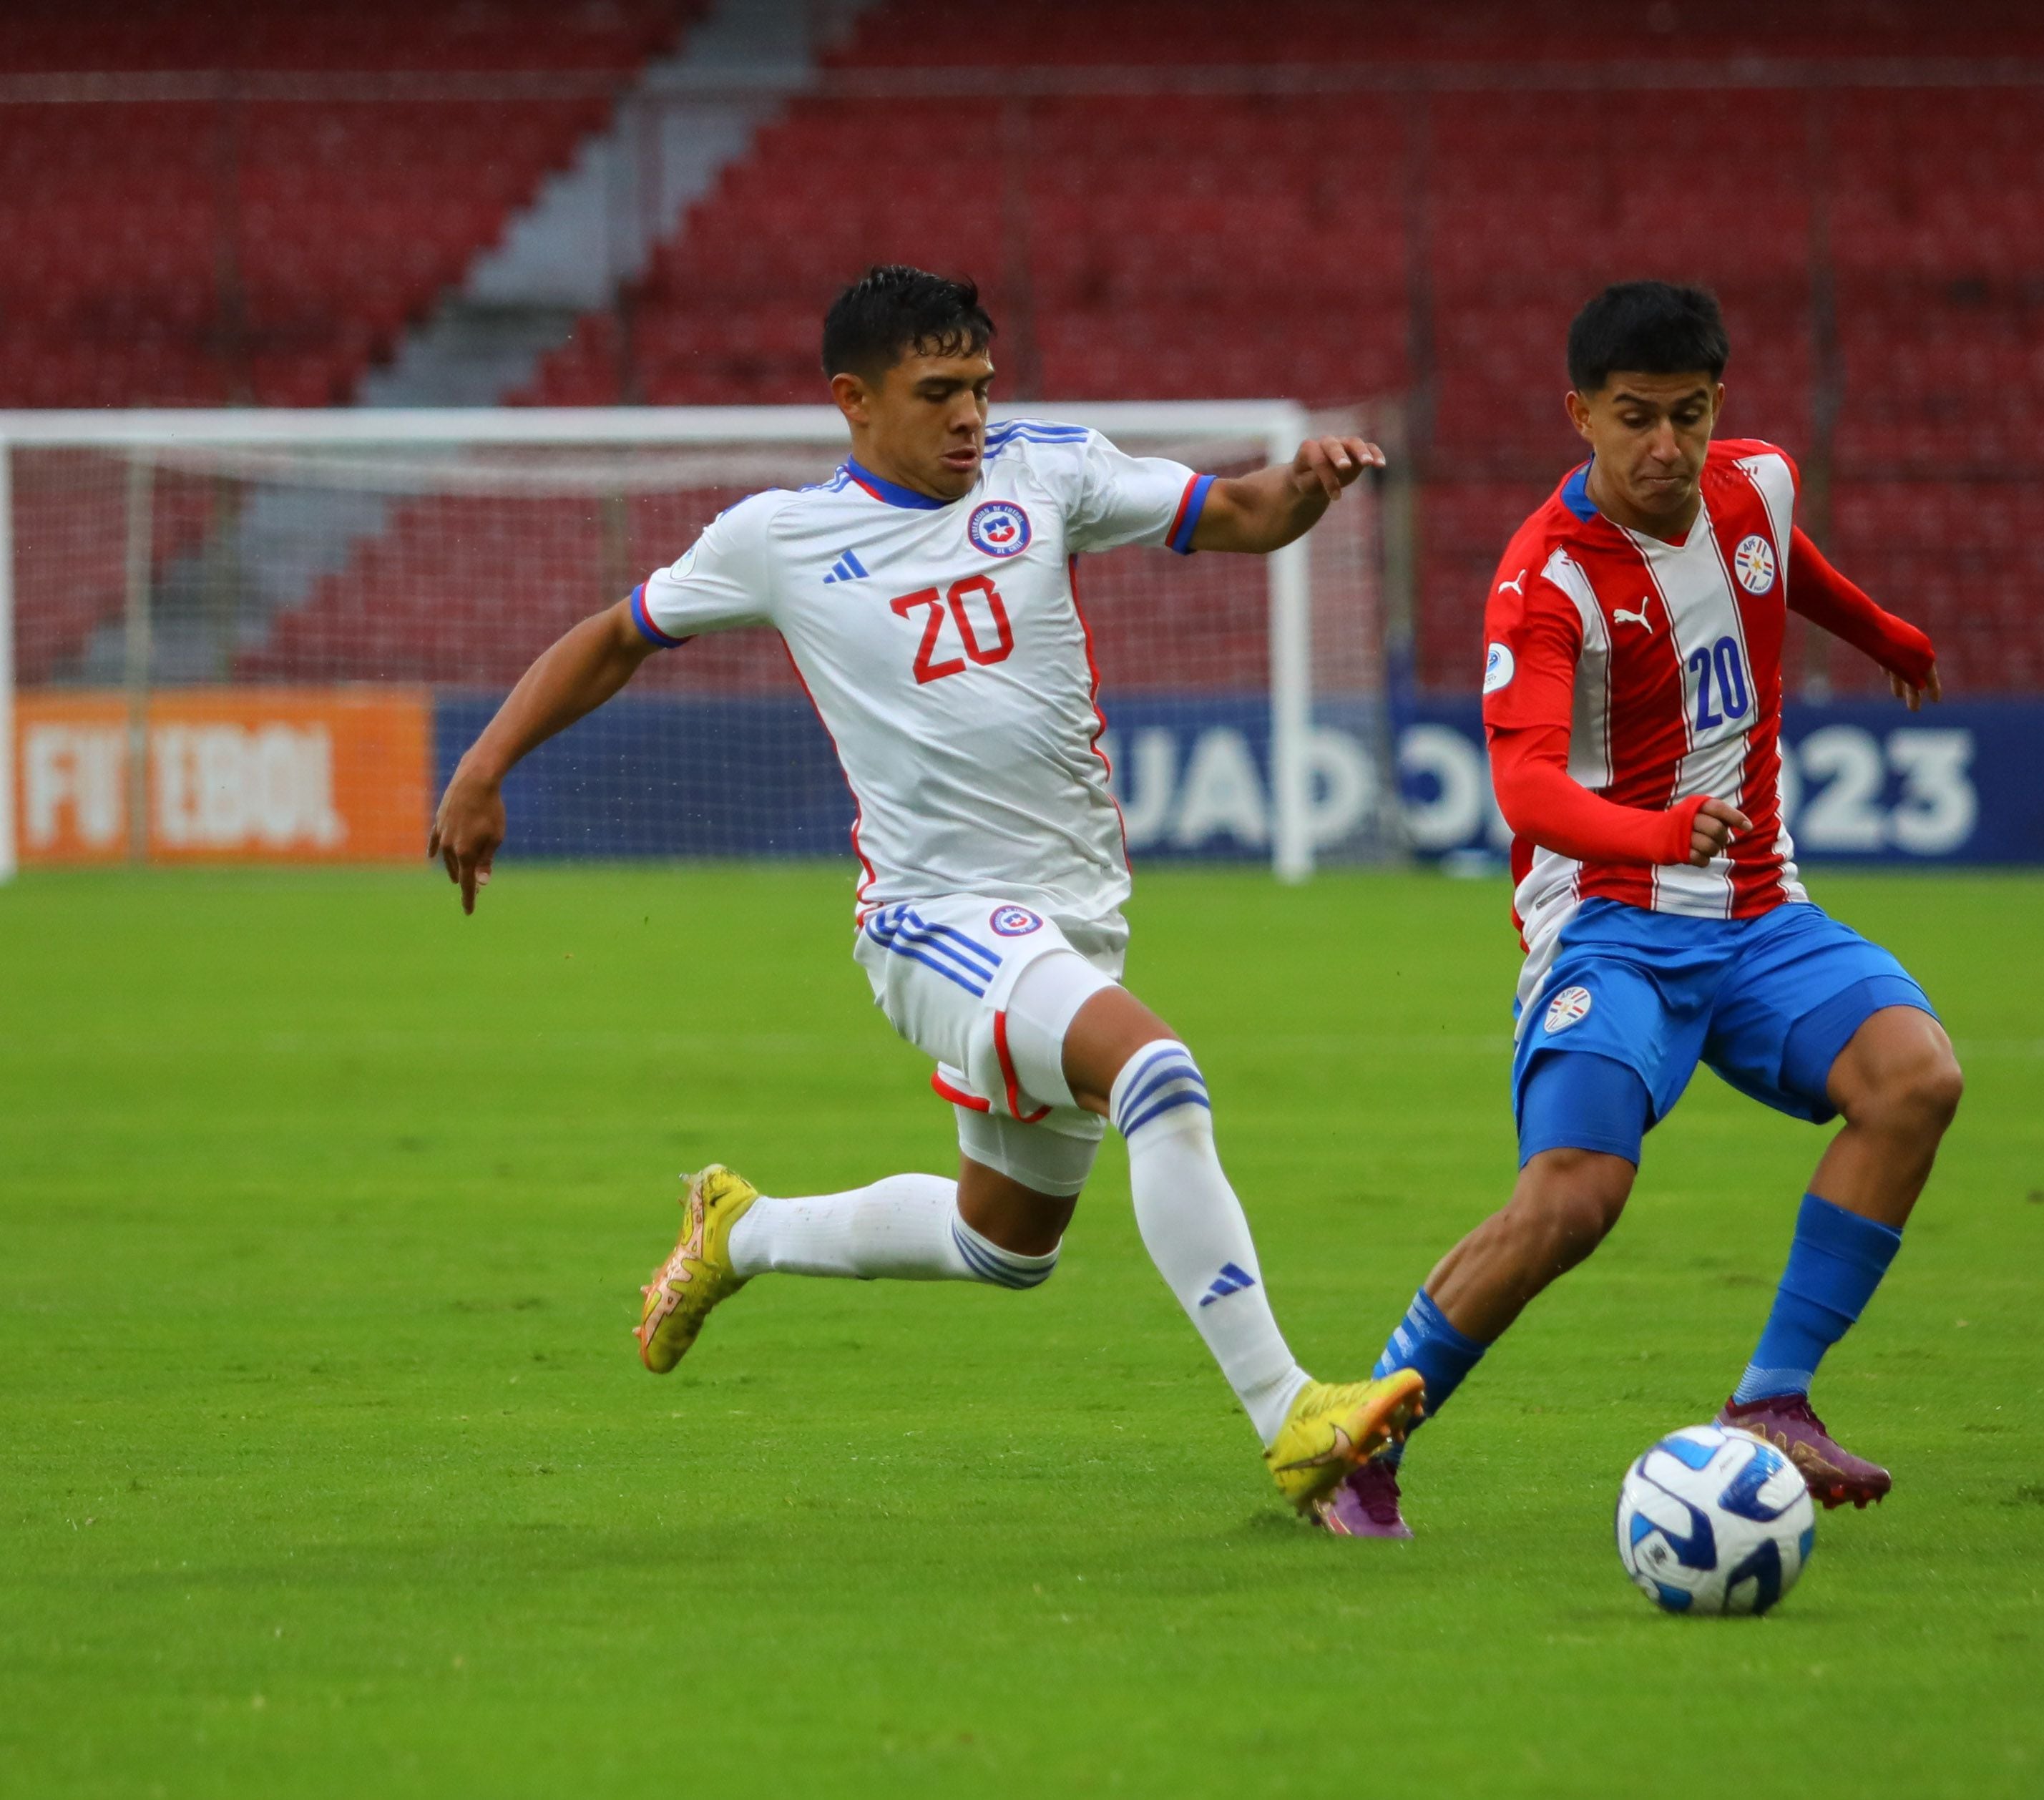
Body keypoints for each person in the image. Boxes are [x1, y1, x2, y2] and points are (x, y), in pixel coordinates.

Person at [426, 265, 1423, 1515]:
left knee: (1001, 1246)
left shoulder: (1044, 469)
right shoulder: (778, 539)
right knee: (1157, 1074)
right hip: (931, 923)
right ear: (855, 401)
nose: (970, 416)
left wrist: (1306, 488)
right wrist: (482, 765)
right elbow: (618, 634)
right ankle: (1291, 1416)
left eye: (981, 388)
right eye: (937, 392)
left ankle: (739, 1232)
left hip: (1068, 921)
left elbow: (1241, 510)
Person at [1326, 281, 1962, 1538]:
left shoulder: (1756, 482)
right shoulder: (1545, 579)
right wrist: (1656, 830)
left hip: (1761, 910)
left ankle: (1768, 1403)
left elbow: (1782, 565)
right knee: (1570, 1197)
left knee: (1915, 1079)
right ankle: (1366, 1439)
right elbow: (1522, 785)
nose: (1664, 448)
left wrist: (1878, 629)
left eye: (1688, 416)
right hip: (1611, 922)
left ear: (1718, 405)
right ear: (1578, 415)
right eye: (1633, 420)